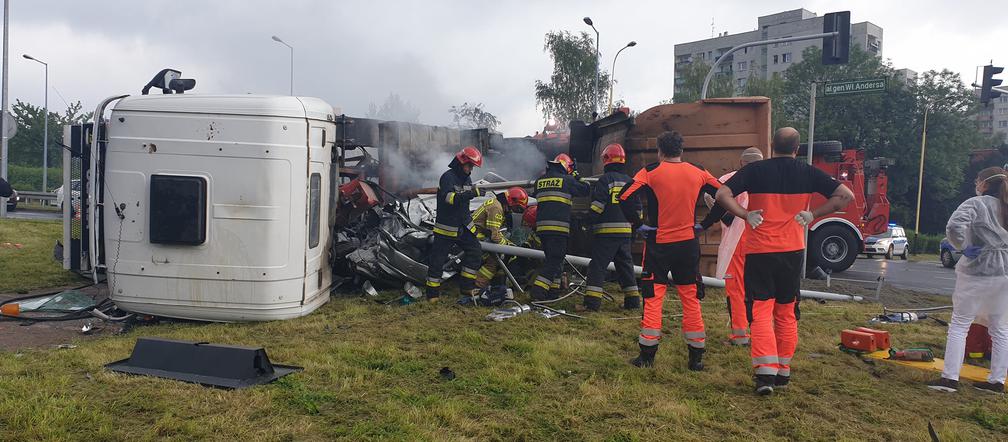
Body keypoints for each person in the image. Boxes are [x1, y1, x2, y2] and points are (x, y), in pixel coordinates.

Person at [715, 127, 853, 396]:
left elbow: (722, 195)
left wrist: (744, 214)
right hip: (792, 251)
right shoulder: (808, 172)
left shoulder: (756, 171)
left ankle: (765, 374)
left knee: (762, 310)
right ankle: (783, 370)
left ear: (771, 145)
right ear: (797, 148)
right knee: (787, 311)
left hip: (760, 250)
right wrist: (814, 214)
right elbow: (846, 196)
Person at [618, 131, 722, 371]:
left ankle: (647, 356)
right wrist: (705, 224)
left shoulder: (651, 171)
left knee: (654, 298)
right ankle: (696, 358)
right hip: (688, 244)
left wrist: (639, 225)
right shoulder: (698, 171)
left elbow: (624, 197)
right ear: (681, 151)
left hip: (659, 244)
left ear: (660, 151)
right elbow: (724, 194)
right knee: (691, 298)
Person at [928, 166, 1008, 394]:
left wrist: (963, 246)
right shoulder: (1005, 206)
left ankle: (950, 379)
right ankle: (996, 381)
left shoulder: (977, 203)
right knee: (1000, 328)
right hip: (1004, 274)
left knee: (960, 324)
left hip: (977, 271)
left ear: (983, 183)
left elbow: (954, 226)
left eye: (977, 181)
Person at [705, 147, 764, 346]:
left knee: (737, 289)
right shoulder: (769, 178)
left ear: (741, 163)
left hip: (738, 240)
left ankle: (740, 335)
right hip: (764, 240)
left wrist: (725, 215)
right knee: (761, 289)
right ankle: (761, 331)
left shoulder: (731, 178)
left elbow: (710, 195)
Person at [584, 143, 642, 311]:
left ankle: (592, 304)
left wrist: (588, 221)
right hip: (625, 233)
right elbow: (638, 209)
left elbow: (598, 206)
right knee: (625, 267)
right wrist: (635, 228)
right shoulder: (631, 181)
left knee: (598, 267)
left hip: (606, 233)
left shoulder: (606, 180)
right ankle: (633, 302)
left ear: (606, 160)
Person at [426, 146, 484, 302]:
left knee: (475, 251)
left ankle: (466, 287)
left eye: (473, 166)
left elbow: (465, 199)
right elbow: (450, 199)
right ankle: (432, 295)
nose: (471, 169)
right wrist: (470, 193)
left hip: (463, 226)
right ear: (461, 162)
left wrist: (471, 193)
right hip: (447, 227)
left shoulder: (467, 179)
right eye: (469, 165)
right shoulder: (447, 177)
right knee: (438, 260)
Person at [529, 153, 590, 301]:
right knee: (555, 260)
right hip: (558, 229)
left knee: (552, 260)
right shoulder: (568, 180)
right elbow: (586, 189)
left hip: (542, 230)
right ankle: (538, 291)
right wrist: (576, 175)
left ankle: (553, 293)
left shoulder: (540, 181)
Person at [473, 187, 529, 288]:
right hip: (477, 237)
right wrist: (509, 246)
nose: (514, 211)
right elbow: (494, 236)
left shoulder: (496, 204)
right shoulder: (497, 208)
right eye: (517, 208)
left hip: (478, 235)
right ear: (511, 202)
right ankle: (478, 284)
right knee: (494, 260)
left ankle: (494, 282)